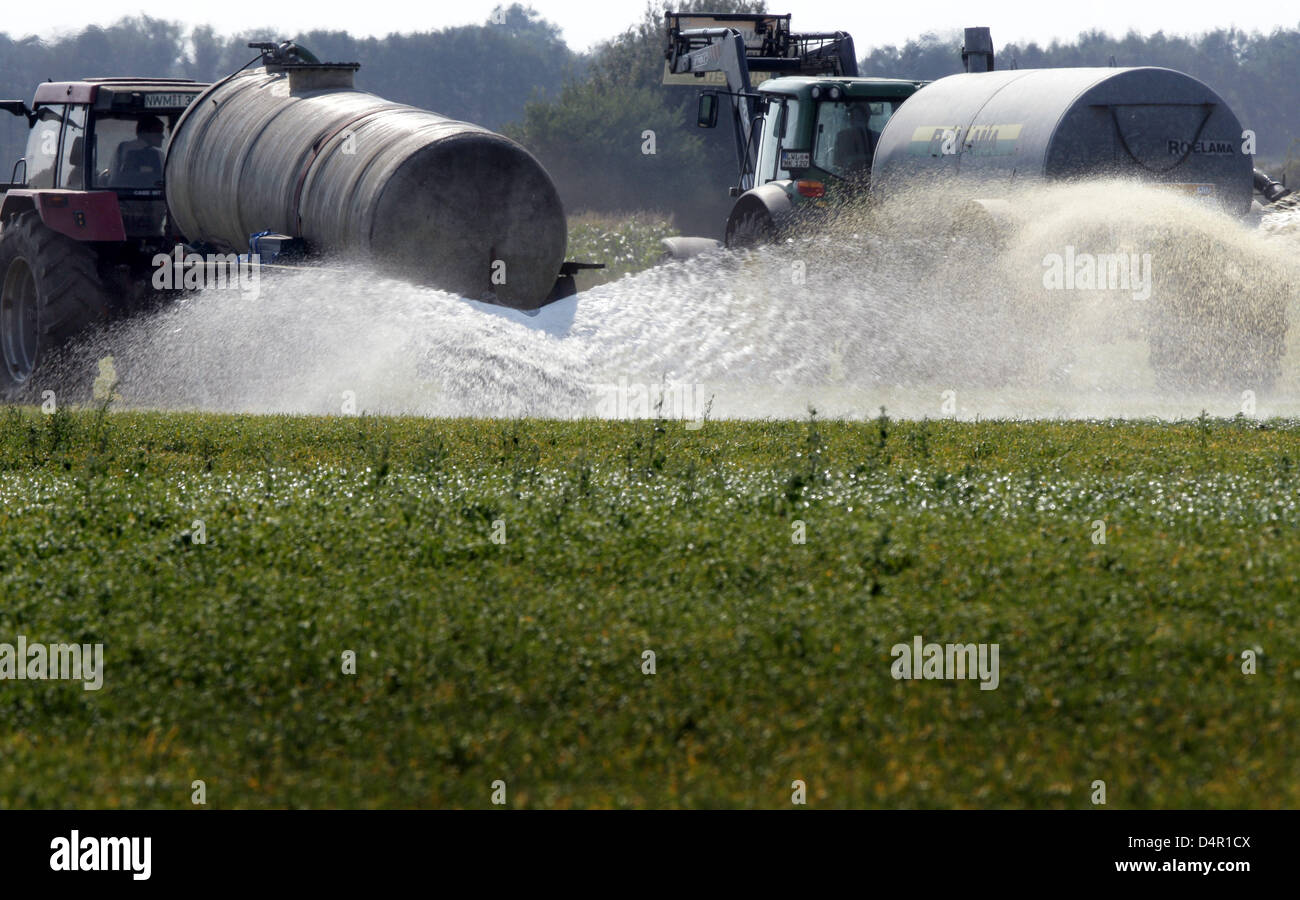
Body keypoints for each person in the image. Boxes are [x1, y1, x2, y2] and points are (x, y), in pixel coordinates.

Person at [111, 115, 166, 187]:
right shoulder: (157, 155)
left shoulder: (121, 149)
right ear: (145, 133)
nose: (162, 137)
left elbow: (112, 178)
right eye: (158, 132)